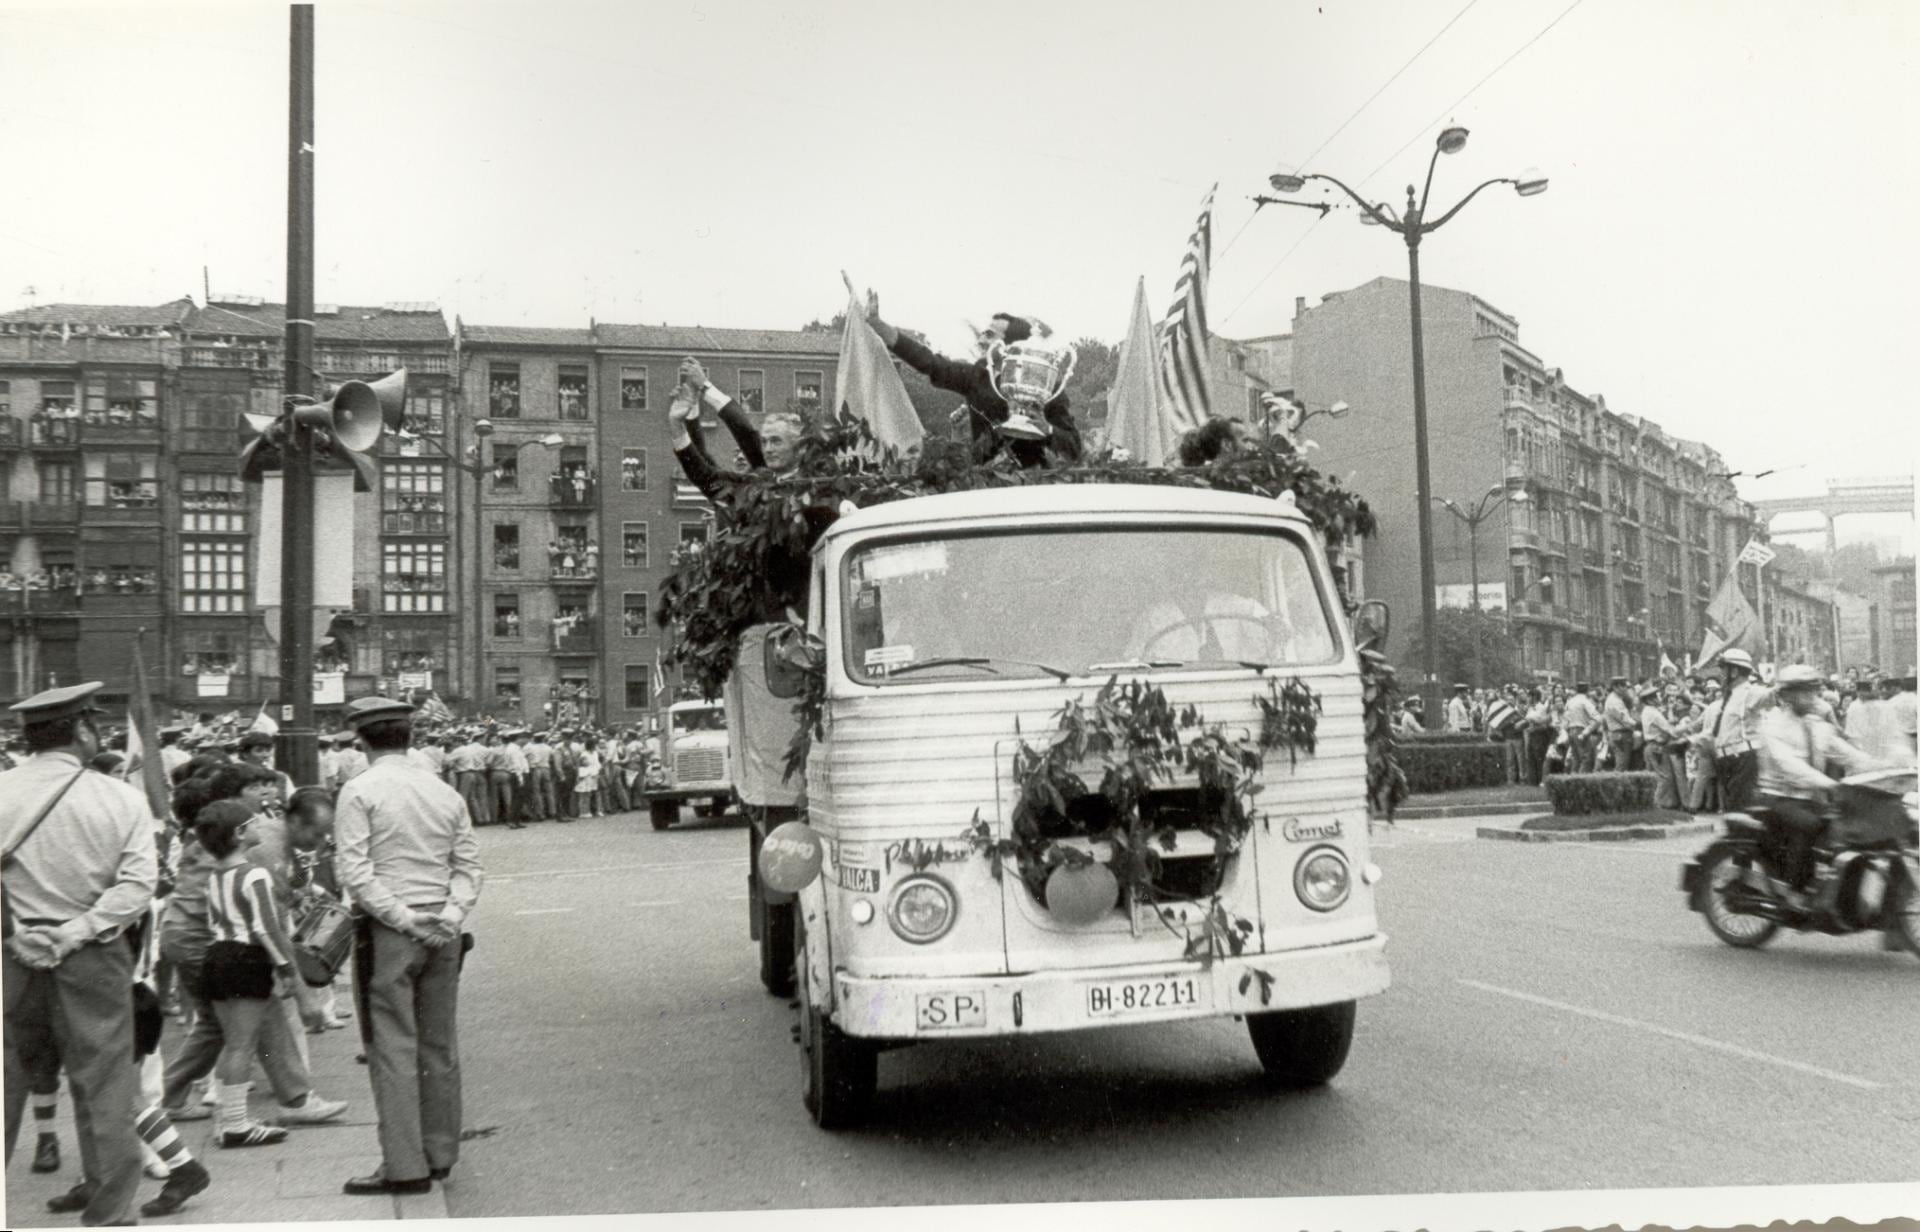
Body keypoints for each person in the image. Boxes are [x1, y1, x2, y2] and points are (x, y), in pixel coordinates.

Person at [1, 682, 158, 1227]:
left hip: (12, 957)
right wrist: (76, 931)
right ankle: (110, 1209)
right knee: (106, 1082)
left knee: (8, 1081)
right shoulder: (120, 798)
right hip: (92, 955)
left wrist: (13, 935)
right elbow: (138, 886)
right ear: (83, 731)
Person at [333, 696, 483, 1195]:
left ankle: (404, 1166)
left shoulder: (359, 791)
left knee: (392, 1048)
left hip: (389, 932)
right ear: (410, 737)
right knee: (438, 1046)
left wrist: (403, 919)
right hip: (443, 931)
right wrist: (450, 915)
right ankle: (440, 1153)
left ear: (361, 740)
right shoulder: (443, 792)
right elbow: (469, 867)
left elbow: (355, 872)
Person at [196, 800, 327, 1147]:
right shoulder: (254, 874)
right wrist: (286, 969)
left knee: (233, 1043)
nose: (261, 828)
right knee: (242, 1046)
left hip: (217, 955)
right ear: (240, 835)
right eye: (253, 824)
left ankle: (228, 1118)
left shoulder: (215, 875)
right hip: (245, 959)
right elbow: (266, 928)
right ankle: (236, 1125)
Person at [864, 297, 1082, 468]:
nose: (980, 340)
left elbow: (1073, 446)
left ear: (1009, 345)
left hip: (1035, 487)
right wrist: (879, 326)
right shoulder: (976, 377)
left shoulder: (1047, 385)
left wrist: (1048, 429)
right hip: (986, 486)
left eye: (989, 335)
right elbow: (930, 363)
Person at [1756, 665, 1882, 906]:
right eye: (1804, 692)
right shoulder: (1772, 725)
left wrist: (1883, 768)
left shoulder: (1817, 725)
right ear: (1787, 695)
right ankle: (1793, 890)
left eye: (1814, 691)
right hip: (1778, 798)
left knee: (1851, 828)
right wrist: (1827, 784)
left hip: (1811, 798)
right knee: (1812, 825)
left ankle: (1843, 895)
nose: (1812, 698)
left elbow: (1848, 755)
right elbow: (1788, 764)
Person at [1710, 648, 1769, 812]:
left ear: (1734, 671)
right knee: (1733, 808)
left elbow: (1769, 696)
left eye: (1723, 669)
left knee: (1740, 808)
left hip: (1743, 758)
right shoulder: (1728, 697)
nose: (1720, 674)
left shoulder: (1750, 692)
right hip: (1727, 760)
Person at [446, 731, 492, 827]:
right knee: (472, 798)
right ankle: (480, 819)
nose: (453, 744)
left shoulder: (458, 750)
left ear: (458, 742)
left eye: (454, 742)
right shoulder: (468, 749)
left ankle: (464, 821)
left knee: (464, 797)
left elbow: (447, 761)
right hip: (472, 773)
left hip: (464, 774)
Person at [1561, 682, 1601, 773]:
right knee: (1585, 759)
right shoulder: (1585, 702)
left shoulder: (1570, 702)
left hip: (1570, 730)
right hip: (1581, 730)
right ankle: (1581, 782)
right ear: (1587, 691)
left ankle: (1572, 783)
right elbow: (1598, 718)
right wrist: (1587, 731)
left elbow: (1565, 719)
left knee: (1575, 759)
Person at [524, 731, 556, 823]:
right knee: (549, 791)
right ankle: (552, 811)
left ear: (534, 739)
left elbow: (523, 756)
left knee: (536, 792)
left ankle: (540, 813)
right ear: (543, 738)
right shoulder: (548, 747)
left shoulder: (530, 748)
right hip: (546, 768)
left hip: (535, 769)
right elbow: (551, 758)